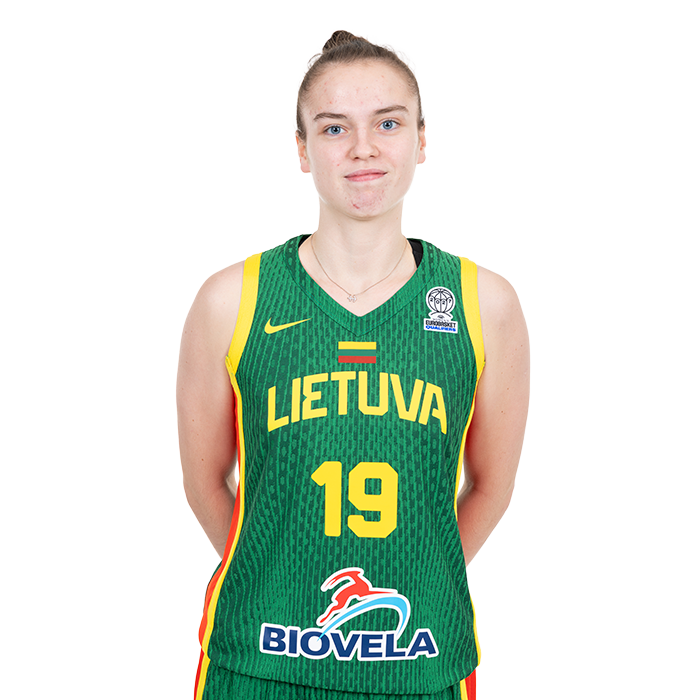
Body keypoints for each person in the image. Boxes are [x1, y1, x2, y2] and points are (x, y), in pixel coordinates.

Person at [177, 30, 529, 700]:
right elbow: (205, 483)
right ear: (302, 149)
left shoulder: (483, 304)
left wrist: (420, 576)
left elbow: (491, 486)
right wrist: (278, 576)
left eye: (388, 123)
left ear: (421, 140)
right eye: (334, 127)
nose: (363, 147)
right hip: (258, 662)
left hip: (420, 661)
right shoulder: (232, 301)